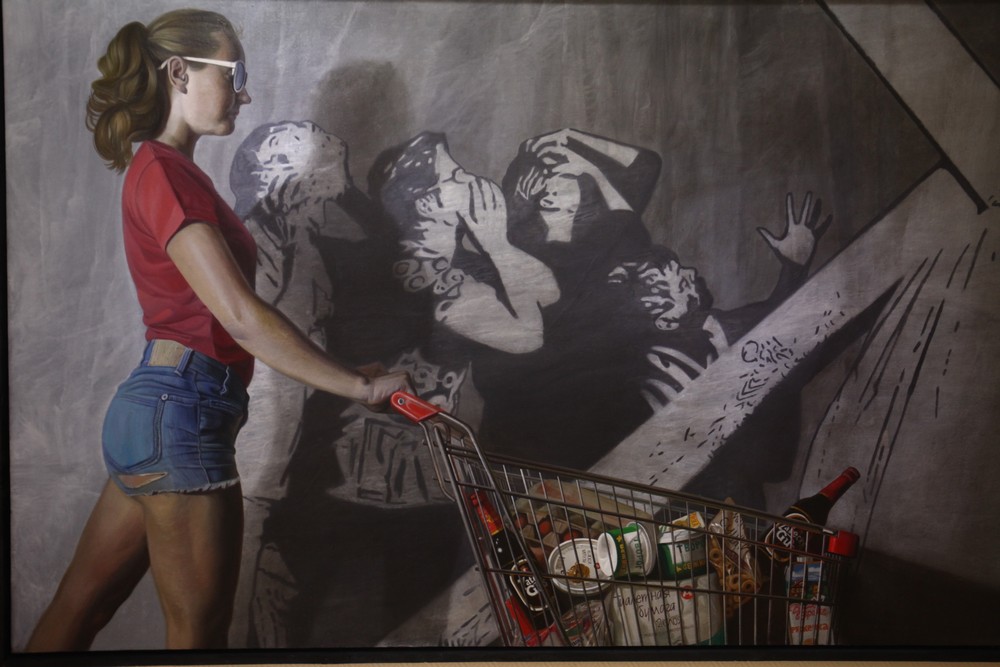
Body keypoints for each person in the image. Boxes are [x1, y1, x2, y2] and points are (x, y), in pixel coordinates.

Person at [26, 9, 412, 651]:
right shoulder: (164, 173)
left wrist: (348, 372)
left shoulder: (167, 170)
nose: (245, 93)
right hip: (182, 412)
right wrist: (360, 388)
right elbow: (239, 315)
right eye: (235, 75)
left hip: (157, 411)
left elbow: (232, 313)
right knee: (199, 636)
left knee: (78, 612)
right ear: (179, 73)